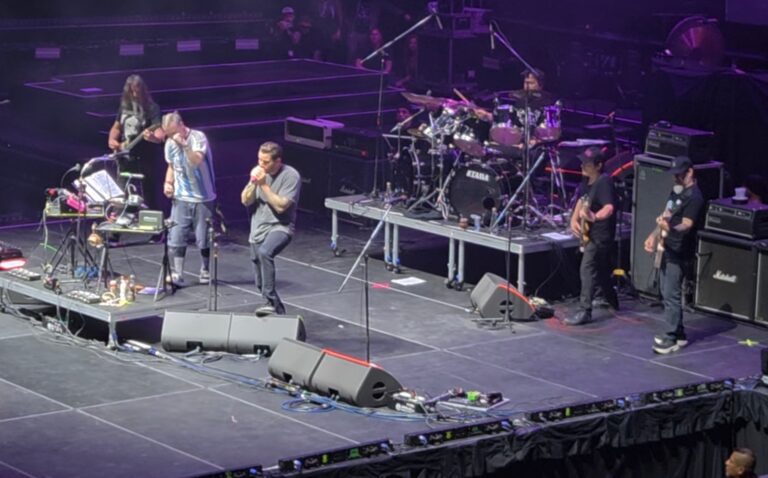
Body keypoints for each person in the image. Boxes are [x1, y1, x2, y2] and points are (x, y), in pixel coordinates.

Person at [644, 156, 705, 354]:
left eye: (679, 175)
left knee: (671, 293)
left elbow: (686, 225)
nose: (675, 179)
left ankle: (669, 336)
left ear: (690, 172)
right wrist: (654, 235)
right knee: (665, 289)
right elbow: (666, 214)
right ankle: (679, 334)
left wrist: (669, 228)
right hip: (667, 246)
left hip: (680, 249)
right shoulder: (676, 192)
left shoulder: (695, 197)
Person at [241, 141, 301, 315]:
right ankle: (279, 311)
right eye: (259, 160)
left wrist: (264, 185)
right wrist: (253, 182)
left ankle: (268, 300)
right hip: (258, 228)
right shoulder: (259, 173)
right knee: (260, 282)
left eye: (266, 162)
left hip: (280, 226)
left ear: (278, 161)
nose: (261, 164)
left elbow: (281, 206)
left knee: (266, 252)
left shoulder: (290, 176)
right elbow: (245, 200)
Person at [162, 111, 216, 287]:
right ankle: (178, 272)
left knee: (203, 236)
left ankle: (205, 269)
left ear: (181, 125)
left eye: (172, 132)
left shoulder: (198, 137)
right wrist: (168, 182)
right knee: (177, 235)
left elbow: (196, 161)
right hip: (181, 197)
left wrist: (184, 145)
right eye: (168, 134)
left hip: (202, 196)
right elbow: (171, 165)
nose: (170, 137)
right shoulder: (170, 143)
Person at [565, 146, 618, 326]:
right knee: (600, 269)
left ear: (598, 165)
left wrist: (595, 217)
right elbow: (582, 199)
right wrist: (574, 219)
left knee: (587, 268)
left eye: (587, 164)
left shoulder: (604, 182)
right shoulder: (587, 180)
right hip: (589, 233)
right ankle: (610, 299)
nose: (583, 166)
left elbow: (609, 207)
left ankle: (584, 311)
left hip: (600, 235)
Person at [108, 74, 164, 207]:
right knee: (122, 191)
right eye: (131, 91)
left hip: (145, 158)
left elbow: (160, 134)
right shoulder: (124, 107)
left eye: (137, 91)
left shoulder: (152, 108)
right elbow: (116, 127)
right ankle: (122, 217)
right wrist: (112, 139)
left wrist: (153, 138)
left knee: (148, 193)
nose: (134, 94)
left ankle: (150, 219)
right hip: (125, 157)